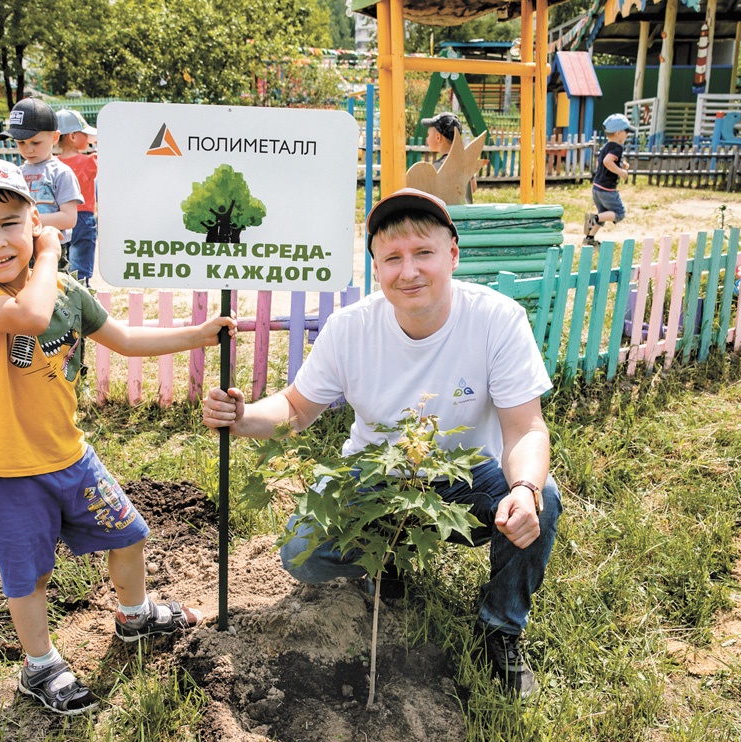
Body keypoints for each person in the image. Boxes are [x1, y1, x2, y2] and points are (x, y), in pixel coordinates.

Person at [202, 188, 561, 698]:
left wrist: (522, 487)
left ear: (452, 255)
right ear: (376, 268)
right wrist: (241, 416)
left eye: (423, 253)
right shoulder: (351, 328)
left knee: (542, 499)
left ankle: (499, 629)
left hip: (467, 482)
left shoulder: (496, 320)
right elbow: (297, 409)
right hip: (373, 480)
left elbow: (525, 427)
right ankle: (385, 564)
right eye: (392, 258)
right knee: (300, 551)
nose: (408, 271)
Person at [0, 154, 235, 715]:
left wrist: (197, 334)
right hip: (8, 470)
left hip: (70, 455)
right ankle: (40, 665)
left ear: (33, 221)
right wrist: (49, 252)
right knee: (29, 578)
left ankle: (135, 615)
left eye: (9, 223)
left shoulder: (67, 292)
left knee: (129, 534)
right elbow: (29, 316)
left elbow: (123, 339)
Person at [0, 97, 81, 266]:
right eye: (21, 143)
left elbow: (69, 218)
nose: (28, 149)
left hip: (51, 248)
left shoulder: (61, 172)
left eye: (35, 142)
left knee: (52, 291)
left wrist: (28, 221)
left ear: (55, 137)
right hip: (19, 247)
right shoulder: (16, 173)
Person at [55, 109, 98, 284]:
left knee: (60, 263)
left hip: (59, 218)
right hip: (83, 217)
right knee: (80, 268)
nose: (88, 139)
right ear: (72, 137)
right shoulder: (89, 161)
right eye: (84, 134)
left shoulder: (53, 163)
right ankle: (82, 292)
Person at [584, 114, 633, 246]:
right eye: (626, 132)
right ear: (618, 133)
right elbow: (607, 161)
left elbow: (606, 160)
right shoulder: (617, 148)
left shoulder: (607, 146)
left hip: (597, 188)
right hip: (607, 190)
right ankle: (593, 219)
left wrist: (622, 164)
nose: (627, 135)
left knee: (604, 213)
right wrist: (621, 172)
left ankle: (590, 238)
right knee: (619, 213)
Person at [421, 112, 475, 204]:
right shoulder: (465, 162)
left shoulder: (438, 167)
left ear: (438, 137)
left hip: (448, 216)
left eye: (428, 135)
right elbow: (473, 187)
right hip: (466, 215)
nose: (427, 139)